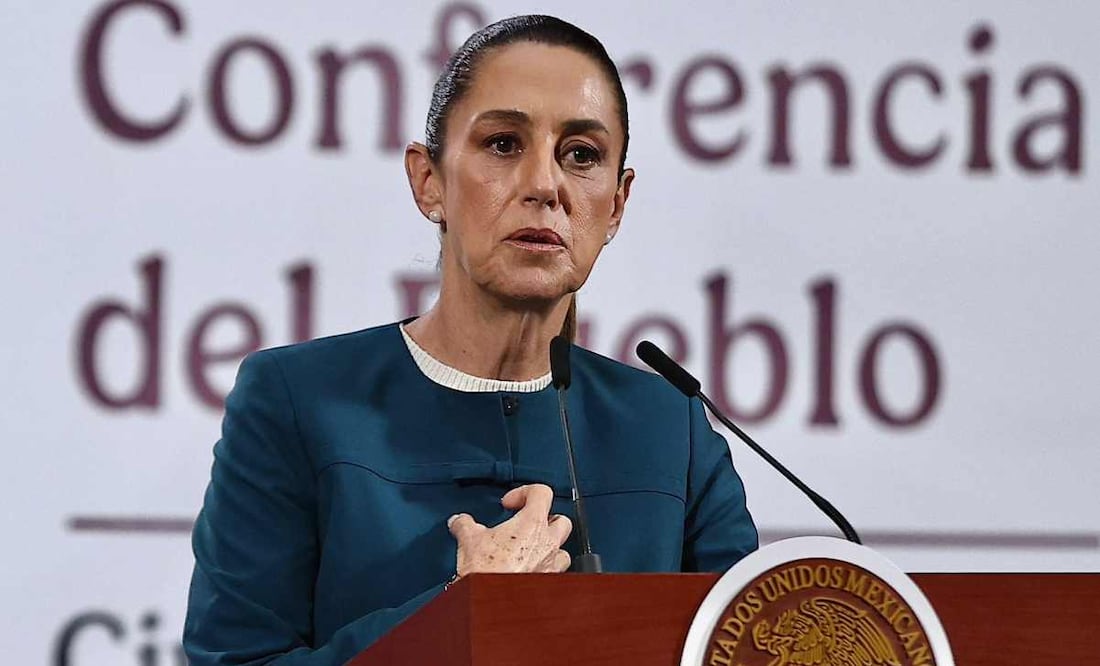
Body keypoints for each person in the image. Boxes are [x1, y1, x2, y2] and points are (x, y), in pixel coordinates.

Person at [183, 14, 757, 665]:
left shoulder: (671, 432)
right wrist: (465, 610)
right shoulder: (297, 402)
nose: (545, 186)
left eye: (582, 155)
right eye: (504, 144)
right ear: (430, 182)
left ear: (618, 204)